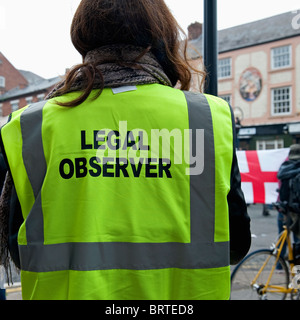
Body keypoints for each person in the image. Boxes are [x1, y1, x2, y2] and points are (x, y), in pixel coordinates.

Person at [0, 0, 251, 300]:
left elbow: (20, 249)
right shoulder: (208, 119)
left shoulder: (33, 125)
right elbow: (236, 243)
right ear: (159, 36)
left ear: (83, 35)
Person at [277, 144, 300, 260]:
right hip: (296, 212)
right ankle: (296, 270)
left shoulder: (283, 167)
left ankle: (279, 267)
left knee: (282, 240)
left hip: (283, 209)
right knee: (298, 241)